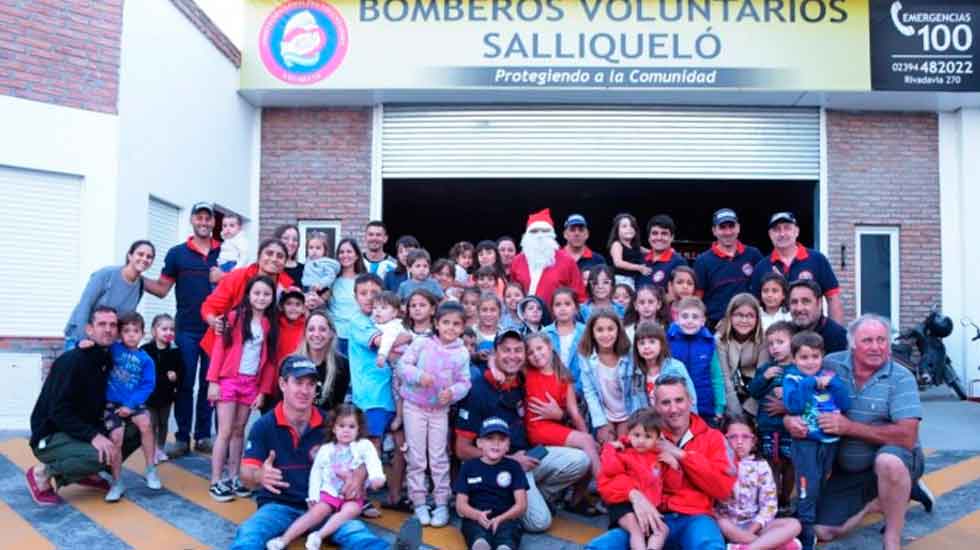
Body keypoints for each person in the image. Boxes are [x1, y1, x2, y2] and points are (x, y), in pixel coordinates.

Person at [231, 356, 421, 550]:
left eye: (311, 384)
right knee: (249, 533)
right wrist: (259, 475)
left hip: (327, 505)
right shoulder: (264, 426)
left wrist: (358, 476)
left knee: (357, 534)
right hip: (278, 505)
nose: (305, 390)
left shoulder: (331, 423)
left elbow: (364, 450)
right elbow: (246, 473)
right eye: (298, 383)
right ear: (282, 384)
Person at [790, 315, 929, 550]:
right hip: (851, 470)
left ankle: (892, 538)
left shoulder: (901, 377)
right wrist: (788, 419)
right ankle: (880, 500)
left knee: (889, 463)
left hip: (895, 458)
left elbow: (907, 436)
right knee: (822, 530)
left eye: (881, 340)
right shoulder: (831, 364)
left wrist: (849, 427)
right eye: (867, 341)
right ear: (852, 344)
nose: (876, 347)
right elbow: (800, 391)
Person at [454, 329, 591, 532]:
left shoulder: (521, 378)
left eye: (518, 350)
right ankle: (510, 500)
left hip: (528, 457)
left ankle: (534, 496)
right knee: (540, 523)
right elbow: (462, 450)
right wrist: (509, 460)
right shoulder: (478, 390)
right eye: (506, 350)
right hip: (498, 464)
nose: (512, 356)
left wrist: (561, 415)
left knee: (581, 460)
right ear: (496, 353)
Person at [585, 375, 736, 550]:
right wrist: (634, 495)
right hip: (648, 518)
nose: (673, 409)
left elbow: (723, 488)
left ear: (690, 400)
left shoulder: (713, 438)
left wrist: (682, 455)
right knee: (599, 547)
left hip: (694, 518)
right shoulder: (642, 437)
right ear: (655, 405)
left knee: (709, 545)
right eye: (665, 403)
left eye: (679, 400)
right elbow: (608, 479)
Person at [27, 307, 141, 506]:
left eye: (113, 325)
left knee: (135, 429)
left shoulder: (104, 356)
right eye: (102, 324)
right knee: (105, 454)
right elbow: (58, 412)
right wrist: (94, 436)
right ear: (89, 330)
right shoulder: (72, 362)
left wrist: (114, 424)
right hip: (51, 434)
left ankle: (85, 471)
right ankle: (43, 473)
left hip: (80, 427)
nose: (108, 330)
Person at [143, 201, 221, 457]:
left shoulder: (225, 253)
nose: (203, 222)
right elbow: (162, 288)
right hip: (185, 330)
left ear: (213, 222)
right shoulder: (177, 254)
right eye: (199, 217)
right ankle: (181, 437)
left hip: (215, 330)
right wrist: (133, 275)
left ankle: (202, 437)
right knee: (185, 384)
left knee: (209, 386)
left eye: (207, 218)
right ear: (192, 220)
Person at [265, 404, 386, 550]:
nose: (346, 430)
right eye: (341, 426)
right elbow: (316, 473)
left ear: (359, 429)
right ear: (334, 428)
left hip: (352, 496)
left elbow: (373, 461)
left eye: (351, 426)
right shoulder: (326, 449)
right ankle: (284, 539)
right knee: (316, 512)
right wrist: (313, 496)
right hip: (330, 492)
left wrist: (376, 477)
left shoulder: (364, 445)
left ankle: (318, 535)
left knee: (352, 510)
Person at [397, 302, 472, 527]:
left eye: (456, 324)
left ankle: (441, 503)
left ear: (462, 327)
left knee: (439, 457)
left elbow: (464, 382)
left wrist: (452, 392)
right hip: (414, 407)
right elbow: (402, 366)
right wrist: (418, 376)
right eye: (446, 322)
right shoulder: (422, 343)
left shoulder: (461, 353)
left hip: (440, 411)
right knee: (417, 457)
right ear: (437, 323)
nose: (450, 328)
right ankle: (419, 502)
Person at [206, 275, 280, 502]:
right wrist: (213, 381)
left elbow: (268, 361)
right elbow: (219, 349)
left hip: (251, 383)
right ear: (248, 295)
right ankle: (216, 481)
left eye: (266, 294)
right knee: (225, 431)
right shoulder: (234, 317)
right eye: (257, 293)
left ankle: (234, 476)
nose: (261, 298)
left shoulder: (269, 324)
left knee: (240, 431)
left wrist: (263, 391)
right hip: (228, 378)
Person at [347, 273, 410, 511]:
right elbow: (384, 342)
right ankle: (357, 496)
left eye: (374, 293)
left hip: (394, 396)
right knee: (371, 444)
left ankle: (394, 495)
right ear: (355, 297)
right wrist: (408, 337)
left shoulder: (384, 321)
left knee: (401, 444)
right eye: (363, 293)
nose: (369, 298)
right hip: (371, 395)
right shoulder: (359, 322)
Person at [783, 331, 851, 550]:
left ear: (822, 356)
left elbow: (845, 402)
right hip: (806, 443)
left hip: (829, 442)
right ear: (794, 359)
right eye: (804, 357)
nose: (810, 362)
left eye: (815, 356)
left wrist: (834, 384)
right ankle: (806, 528)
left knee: (821, 481)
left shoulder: (830, 376)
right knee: (807, 483)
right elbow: (794, 406)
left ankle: (807, 515)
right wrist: (811, 382)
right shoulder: (792, 379)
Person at [199, 238, 295, 365]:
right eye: (269, 253)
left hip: (260, 353)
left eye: (280, 256)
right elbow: (209, 307)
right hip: (226, 349)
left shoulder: (286, 287)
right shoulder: (238, 277)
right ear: (259, 256)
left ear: (285, 262)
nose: (274, 259)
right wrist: (214, 322)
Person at [716, 415, 802, 550]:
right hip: (730, 527)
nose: (739, 442)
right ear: (723, 440)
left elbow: (769, 505)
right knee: (721, 523)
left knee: (794, 524)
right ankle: (771, 545)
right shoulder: (718, 464)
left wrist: (751, 530)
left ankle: (748, 548)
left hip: (756, 525)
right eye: (732, 437)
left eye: (745, 437)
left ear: (754, 441)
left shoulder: (761, 466)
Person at [100, 311, 158, 501]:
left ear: (143, 334)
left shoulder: (146, 360)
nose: (131, 335)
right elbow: (94, 347)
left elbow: (147, 385)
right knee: (117, 436)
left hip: (133, 403)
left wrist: (131, 405)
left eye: (136, 331)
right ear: (119, 334)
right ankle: (117, 482)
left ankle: (150, 469)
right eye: (126, 331)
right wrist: (80, 343)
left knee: (146, 424)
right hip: (111, 403)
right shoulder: (113, 349)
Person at [524, 333, 599, 478]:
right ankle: (606, 490)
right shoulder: (528, 373)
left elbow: (574, 413)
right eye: (530, 353)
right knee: (588, 443)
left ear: (550, 346)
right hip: (537, 428)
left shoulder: (563, 377)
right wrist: (587, 439)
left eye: (540, 348)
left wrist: (587, 436)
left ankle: (578, 499)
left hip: (556, 427)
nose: (536, 354)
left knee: (590, 450)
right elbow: (498, 357)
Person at [750, 212, 844, 324]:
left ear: (796, 232)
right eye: (777, 229)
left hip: (812, 335)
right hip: (776, 337)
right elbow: (754, 305)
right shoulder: (761, 267)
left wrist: (837, 334)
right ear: (770, 234)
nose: (782, 234)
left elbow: (833, 298)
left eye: (787, 228)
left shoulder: (817, 260)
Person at [597, 409, 671, 550]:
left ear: (658, 438)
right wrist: (610, 450)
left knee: (662, 530)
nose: (641, 441)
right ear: (629, 434)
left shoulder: (658, 457)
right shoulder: (624, 452)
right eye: (636, 435)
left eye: (648, 436)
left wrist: (675, 467)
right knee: (636, 531)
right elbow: (610, 470)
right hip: (623, 504)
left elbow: (670, 484)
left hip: (649, 505)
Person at [64, 239, 155, 350]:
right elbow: (84, 305)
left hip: (107, 343)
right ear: (130, 256)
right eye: (140, 254)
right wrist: (82, 339)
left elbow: (125, 320)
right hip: (81, 339)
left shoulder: (140, 285)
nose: (144, 259)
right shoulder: (106, 275)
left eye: (149, 257)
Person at [454, 417, 529, 550]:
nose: (496, 443)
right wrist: (477, 515)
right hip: (476, 517)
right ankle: (481, 544)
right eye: (490, 438)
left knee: (508, 536)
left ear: (508, 445)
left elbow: (521, 505)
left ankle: (505, 546)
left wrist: (501, 518)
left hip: (506, 517)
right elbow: (461, 505)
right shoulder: (469, 467)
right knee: (477, 536)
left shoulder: (514, 467)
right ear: (479, 443)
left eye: (502, 439)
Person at [747, 321, 798, 511]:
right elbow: (753, 391)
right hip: (768, 426)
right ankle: (774, 501)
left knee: (790, 464)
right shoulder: (766, 369)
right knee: (772, 465)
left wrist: (788, 395)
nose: (774, 347)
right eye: (771, 343)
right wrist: (764, 377)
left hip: (790, 429)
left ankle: (786, 499)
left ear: (793, 343)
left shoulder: (798, 369)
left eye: (780, 342)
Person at [579, 309, 646, 443]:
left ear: (618, 331)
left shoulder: (630, 355)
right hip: (605, 413)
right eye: (600, 330)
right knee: (607, 446)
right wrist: (601, 422)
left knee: (625, 445)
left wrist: (633, 420)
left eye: (610, 329)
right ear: (592, 332)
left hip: (629, 411)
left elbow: (637, 391)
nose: (606, 335)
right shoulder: (586, 357)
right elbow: (590, 392)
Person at [693, 208, 763, 327]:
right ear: (714, 231)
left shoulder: (753, 255)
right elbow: (697, 299)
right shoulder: (702, 261)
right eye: (722, 227)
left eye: (731, 226)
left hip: (749, 323)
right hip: (716, 326)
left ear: (738, 228)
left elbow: (764, 289)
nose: (728, 232)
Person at [666, 297, 725, 425]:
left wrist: (719, 406)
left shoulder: (709, 343)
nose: (689, 321)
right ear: (677, 318)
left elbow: (716, 377)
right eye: (685, 316)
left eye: (695, 317)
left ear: (703, 321)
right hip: (674, 406)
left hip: (704, 406)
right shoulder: (668, 340)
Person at [510, 208, 587, 305]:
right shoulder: (517, 261)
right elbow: (511, 293)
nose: (540, 235)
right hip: (522, 318)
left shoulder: (567, 261)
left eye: (544, 231)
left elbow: (579, 297)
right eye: (534, 231)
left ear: (552, 234)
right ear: (527, 234)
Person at [715, 293, 770, 417]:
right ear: (730, 316)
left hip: (754, 396)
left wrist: (749, 412)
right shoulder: (720, 340)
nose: (744, 320)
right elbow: (725, 378)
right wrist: (737, 414)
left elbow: (762, 378)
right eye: (739, 315)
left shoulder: (763, 341)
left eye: (750, 316)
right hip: (728, 395)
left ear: (757, 319)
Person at [142, 313, 184, 464]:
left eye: (172, 329)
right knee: (152, 423)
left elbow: (181, 370)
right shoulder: (145, 350)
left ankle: (160, 448)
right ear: (154, 331)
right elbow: (141, 371)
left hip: (166, 396)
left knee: (163, 423)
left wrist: (176, 375)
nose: (169, 332)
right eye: (164, 329)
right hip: (150, 396)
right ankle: (151, 449)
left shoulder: (175, 351)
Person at [632, 321, 696, 411]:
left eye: (652, 342)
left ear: (661, 344)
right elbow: (636, 403)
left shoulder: (676, 367)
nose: (646, 347)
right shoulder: (636, 372)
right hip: (650, 421)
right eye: (642, 343)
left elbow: (691, 397)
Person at [295, 312, 351, 412]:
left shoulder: (342, 365)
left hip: (326, 424)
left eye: (322, 329)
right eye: (311, 329)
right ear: (305, 333)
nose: (316, 334)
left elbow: (337, 407)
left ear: (331, 333)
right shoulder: (293, 363)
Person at [542, 287, 586, 389]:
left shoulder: (585, 332)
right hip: (552, 389)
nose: (562, 308)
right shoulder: (545, 333)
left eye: (567, 304)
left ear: (576, 308)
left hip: (582, 390)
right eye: (558, 305)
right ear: (552, 309)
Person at [329, 238, 366, 358]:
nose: (345, 255)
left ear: (356, 256)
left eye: (349, 252)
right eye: (341, 252)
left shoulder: (364, 280)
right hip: (336, 337)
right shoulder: (331, 279)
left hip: (358, 336)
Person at [787, 280, 847, 354]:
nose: (799, 308)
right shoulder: (785, 334)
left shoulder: (838, 336)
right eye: (794, 302)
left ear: (819, 303)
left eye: (806, 301)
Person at [640, 215, 688, 291]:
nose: (659, 238)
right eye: (655, 233)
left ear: (672, 237)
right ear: (649, 237)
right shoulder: (640, 260)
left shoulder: (679, 262)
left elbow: (682, 294)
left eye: (664, 233)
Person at [608, 213, 650, 289]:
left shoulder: (636, 247)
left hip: (634, 279)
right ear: (617, 230)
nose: (629, 228)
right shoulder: (617, 244)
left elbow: (652, 252)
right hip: (621, 280)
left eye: (632, 226)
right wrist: (639, 268)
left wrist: (668, 251)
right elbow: (618, 263)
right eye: (624, 226)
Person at [562, 213, 607, 280]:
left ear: (587, 234)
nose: (577, 233)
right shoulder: (554, 258)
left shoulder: (598, 260)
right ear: (565, 234)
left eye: (581, 230)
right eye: (572, 230)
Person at [372, 291, 408, 368]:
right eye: (375, 307)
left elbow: (387, 339)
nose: (378, 310)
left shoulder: (392, 325)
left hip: (403, 358)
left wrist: (382, 355)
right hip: (394, 359)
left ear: (394, 313)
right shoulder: (379, 323)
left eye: (383, 308)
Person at [301, 231, 340, 296]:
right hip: (306, 289)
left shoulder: (325, 262)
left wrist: (321, 284)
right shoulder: (307, 262)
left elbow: (330, 276)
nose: (314, 251)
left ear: (324, 251)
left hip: (319, 290)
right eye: (311, 248)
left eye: (318, 248)